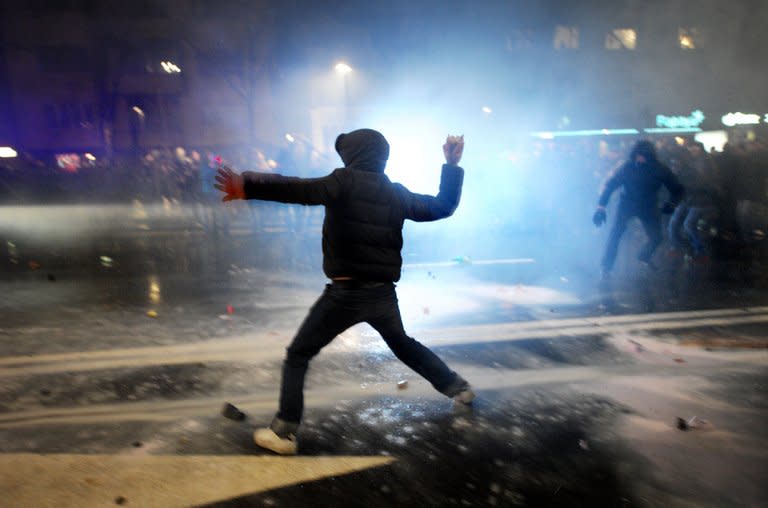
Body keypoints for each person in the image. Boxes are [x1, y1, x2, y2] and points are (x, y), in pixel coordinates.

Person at [215, 129, 474, 455]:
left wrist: (247, 185)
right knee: (404, 346)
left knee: (298, 355)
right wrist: (450, 165)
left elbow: (297, 189)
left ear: (353, 156)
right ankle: (459, 389)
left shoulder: (343, 182)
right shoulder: (396, 193)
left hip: (345, 295)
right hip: (382, 295)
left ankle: (284, 431)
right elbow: (442, 206)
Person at [592, 140, 684, 280]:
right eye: (637, 155)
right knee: (615, 234)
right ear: (634, 155)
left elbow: (677, 189)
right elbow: (611, 185)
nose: (639, 158)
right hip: (627, 204)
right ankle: (606, 267)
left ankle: (644, 256)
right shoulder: (628, 167)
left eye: (643, 155)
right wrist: (601, 206)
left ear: (650, 156)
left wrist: (672, 203)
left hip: (648, 206)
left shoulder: (659, 169)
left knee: (657, 237)